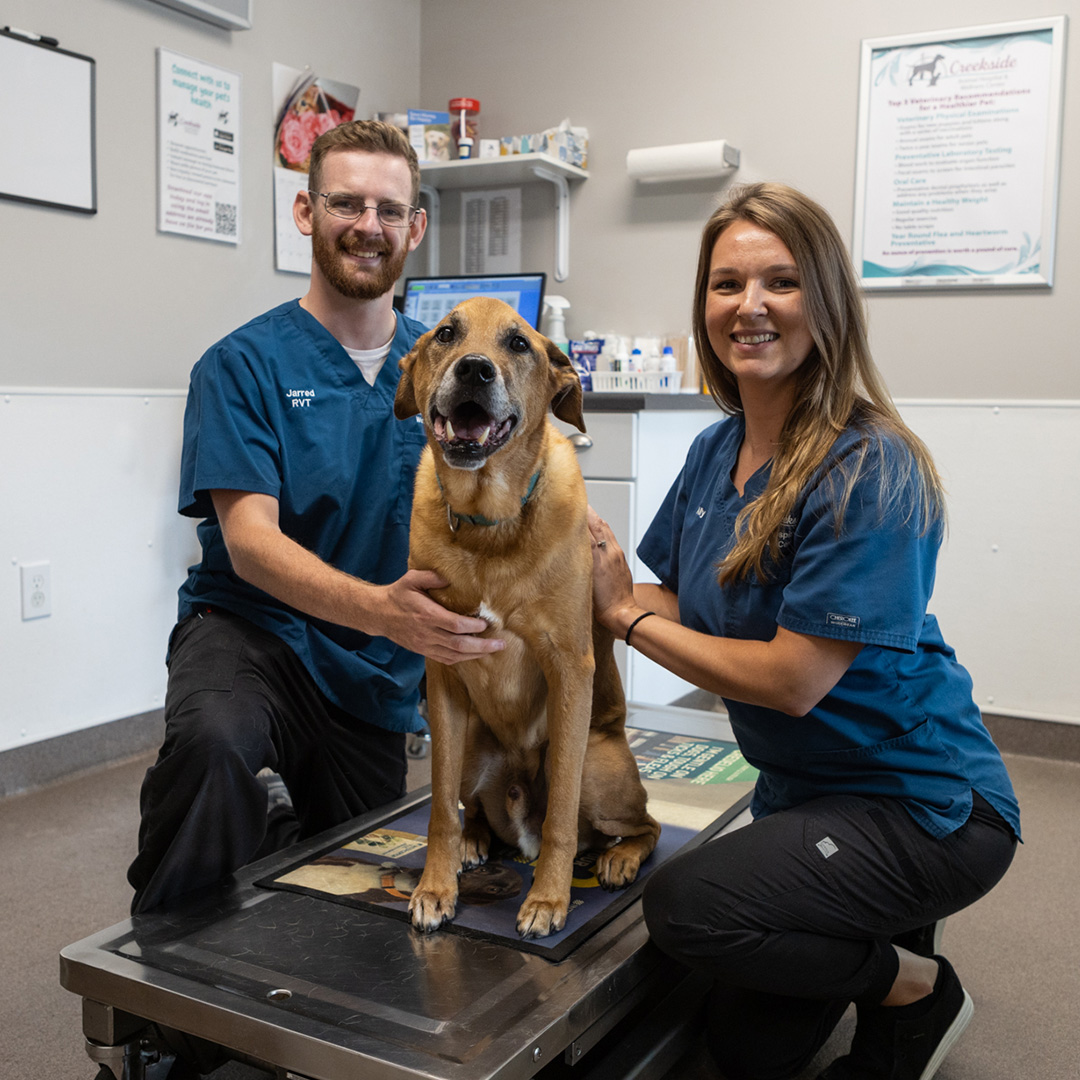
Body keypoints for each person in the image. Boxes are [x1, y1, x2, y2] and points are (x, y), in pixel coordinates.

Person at [588, 183, 1020, 1080]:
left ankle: (915, 987)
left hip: (921, 804)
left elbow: (792, 680)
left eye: (780, 282)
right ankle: (880, 924)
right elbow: (681, 601)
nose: (748, 306)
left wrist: (622, 615)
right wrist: (573, 588)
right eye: (726, 284)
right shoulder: (716, 450)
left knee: (687, 909)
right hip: (803, 790)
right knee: (746, 1050)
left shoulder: (872, 465)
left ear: (825, 302)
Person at [128, 120, 503, 915]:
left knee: (360, 878)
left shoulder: (447, 373)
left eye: (389, 210)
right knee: (212, 749)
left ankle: (273, 829)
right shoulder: (242, 365)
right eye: (346, 203)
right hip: (252, 630)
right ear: (306, 212)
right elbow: (251, 544)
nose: (369, 225)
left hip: (372, 665)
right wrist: (386, 612)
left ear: (415, 228)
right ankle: (152, 972)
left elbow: (497, 506)